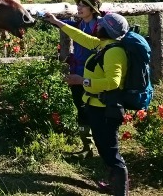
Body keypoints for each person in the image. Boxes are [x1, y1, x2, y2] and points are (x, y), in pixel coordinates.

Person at [44, 12, 130, 196]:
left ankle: (121, 191)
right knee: (104, 146)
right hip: (96, 105)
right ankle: (113, 183)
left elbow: (113, 82)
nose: (97, 25)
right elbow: (80, 36)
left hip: (105, 108)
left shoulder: (114, 51)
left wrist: (82, 81)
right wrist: (56, 22)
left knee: (111, 151)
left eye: (101, 24)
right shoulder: (102, 45)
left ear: (107, 29)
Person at [63, 0, 103, 159]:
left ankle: (102, 147)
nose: (78, 7)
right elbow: (65, 25)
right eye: (78, 4)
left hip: (95, 76)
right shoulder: (79, 24)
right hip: (77, 73)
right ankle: (87, 147)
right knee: (80, 107)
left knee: (95, 110)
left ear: (92, 9)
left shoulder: (101, 27)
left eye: (83, 5)